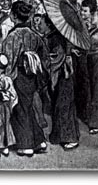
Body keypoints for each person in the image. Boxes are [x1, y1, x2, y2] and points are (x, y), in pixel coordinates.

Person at [2, 1, 49, 157]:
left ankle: (25, 144)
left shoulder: (13, 35)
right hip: (32, 76)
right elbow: (45, 58)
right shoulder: (35, 35)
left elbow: (7, 59)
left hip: (18, 75)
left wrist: (5, 77)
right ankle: (39, 140)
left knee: (20, 109)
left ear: (13, 16)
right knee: (28, 107)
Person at [39, 14, 80, 150]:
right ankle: (57, 136)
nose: (39, 25)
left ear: (49, 25)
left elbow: (56, 59)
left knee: (64, 106)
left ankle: (70, 138)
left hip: (62, 76)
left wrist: (43, 62)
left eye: (42, 23)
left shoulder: (56, 38)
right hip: (57, 75)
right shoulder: (51, 37)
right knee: (58, 106)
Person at [73, 0, 98, 124]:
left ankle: (88, 114)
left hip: (89, 59)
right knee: (79, 84)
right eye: (81, 11)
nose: (82, 13)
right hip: (78, 57)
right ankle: (80, 111)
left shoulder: (93, 26)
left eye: (85, 11)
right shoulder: (78, 24)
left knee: (88, 85)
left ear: (91, 13)